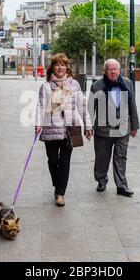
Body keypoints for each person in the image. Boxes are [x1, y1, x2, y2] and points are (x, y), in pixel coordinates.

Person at [35, 53, 93, 206]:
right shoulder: (46, 86)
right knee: (53, 161)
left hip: (70, 129)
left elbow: (82, 107)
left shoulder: (74, 85)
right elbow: (40, 106)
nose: (60, 67)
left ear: (67, 67)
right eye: (57, 64)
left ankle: (60, 193)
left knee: (65, 161)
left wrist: (88, 125)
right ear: (52, 67)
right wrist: (38, 123)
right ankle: (58, 183)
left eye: (63, 64)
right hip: (50, 127)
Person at [89, 58, 140, 197]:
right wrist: (88, 127)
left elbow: (132, 105)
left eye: (116, 69)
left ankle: (121, 185)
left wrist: (135, 125)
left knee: (121, 157)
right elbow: (90, 109)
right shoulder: (97, 86)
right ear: (104, 71)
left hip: (123, 128)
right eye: (110, 69)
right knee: (102, 157)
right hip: (103, 129)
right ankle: (101, 180)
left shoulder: (127, 83)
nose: (113, 72)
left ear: (119, 70)